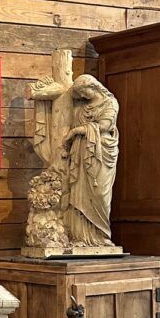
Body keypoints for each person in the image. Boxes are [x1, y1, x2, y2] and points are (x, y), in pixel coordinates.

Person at [61, 74, 119, 247]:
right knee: (79, 192)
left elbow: (104, 126)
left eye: (83, 92)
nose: (83, 97)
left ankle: (101, 236)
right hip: (81, 151)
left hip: (102, 152)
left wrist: (76, 131)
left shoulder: (110, 103)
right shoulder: (83, 106)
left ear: (92, 86)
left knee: (100, 193)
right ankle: (80, 237)